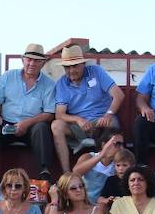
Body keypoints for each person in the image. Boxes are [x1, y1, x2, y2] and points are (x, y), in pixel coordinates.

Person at [0, 43, 55, 181]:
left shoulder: (49, 84)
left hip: (32, 126)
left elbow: (49, 113)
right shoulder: (8, 76)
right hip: (6, 124)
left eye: (37, 60)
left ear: (43, 63)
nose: (32, 63)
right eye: (29, 59)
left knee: (42, 128)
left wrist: (26, 123)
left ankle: (45, 173)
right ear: (23, 59)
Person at [51, 46, 124, 177]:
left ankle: (114, 172)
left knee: (111, 121)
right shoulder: (61, 83)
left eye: (75, 66)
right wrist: (77, 120)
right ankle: (67, 175)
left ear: (83, 64)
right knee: (56, 125)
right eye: (67, 67)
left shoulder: (96, 72)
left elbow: (118, 95)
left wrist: (108, 114)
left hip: (101, 122)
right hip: (78, 126)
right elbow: (59, 114)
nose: (71, 70)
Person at [72, 131, 128, 204]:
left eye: (122, 144)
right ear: (104, 144)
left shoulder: (119, 166)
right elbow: (75, 173)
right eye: (118, 144)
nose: (121, 148)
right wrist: (102, 155)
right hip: (84, 203)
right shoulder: (88, 156)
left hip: (104, 206)